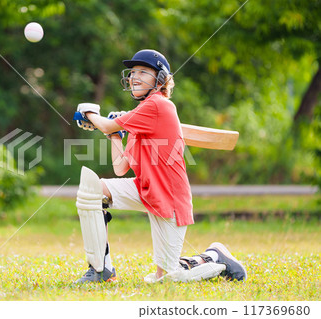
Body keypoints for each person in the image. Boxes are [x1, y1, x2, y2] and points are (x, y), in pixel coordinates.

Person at [74, 49, 246, 283]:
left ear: (161, 79)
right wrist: (116, 134)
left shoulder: (158, 105)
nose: (135, 77)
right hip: (145, 189)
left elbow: (104, 125)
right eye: (133, 72)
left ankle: (214, 256)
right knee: (92, 190)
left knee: (165, 278)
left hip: (169, 197)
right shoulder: (141, 116)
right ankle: (100, 270)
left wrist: (90, 113)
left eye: (143, 72)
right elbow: (120, 168)